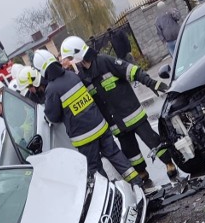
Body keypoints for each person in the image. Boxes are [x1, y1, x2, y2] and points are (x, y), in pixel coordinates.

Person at [60, 36, 178, 184]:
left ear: (77, 54)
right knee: (130, 151)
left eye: (70, 58)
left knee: (152, 140)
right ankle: (142, 173)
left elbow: (132, 71)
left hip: (132, 114)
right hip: (116, 124)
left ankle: (169, 163)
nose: (70, 63)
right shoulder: (82, 76)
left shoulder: (104, 61)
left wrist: (151, 83)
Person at [32, 49, 143, 186]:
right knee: (115, 154)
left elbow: (53, 116)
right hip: (100, 126)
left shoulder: (52, 89)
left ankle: (111, 195)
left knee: (95, 168)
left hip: (84, 137)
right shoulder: (72, 76)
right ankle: (137, 182)